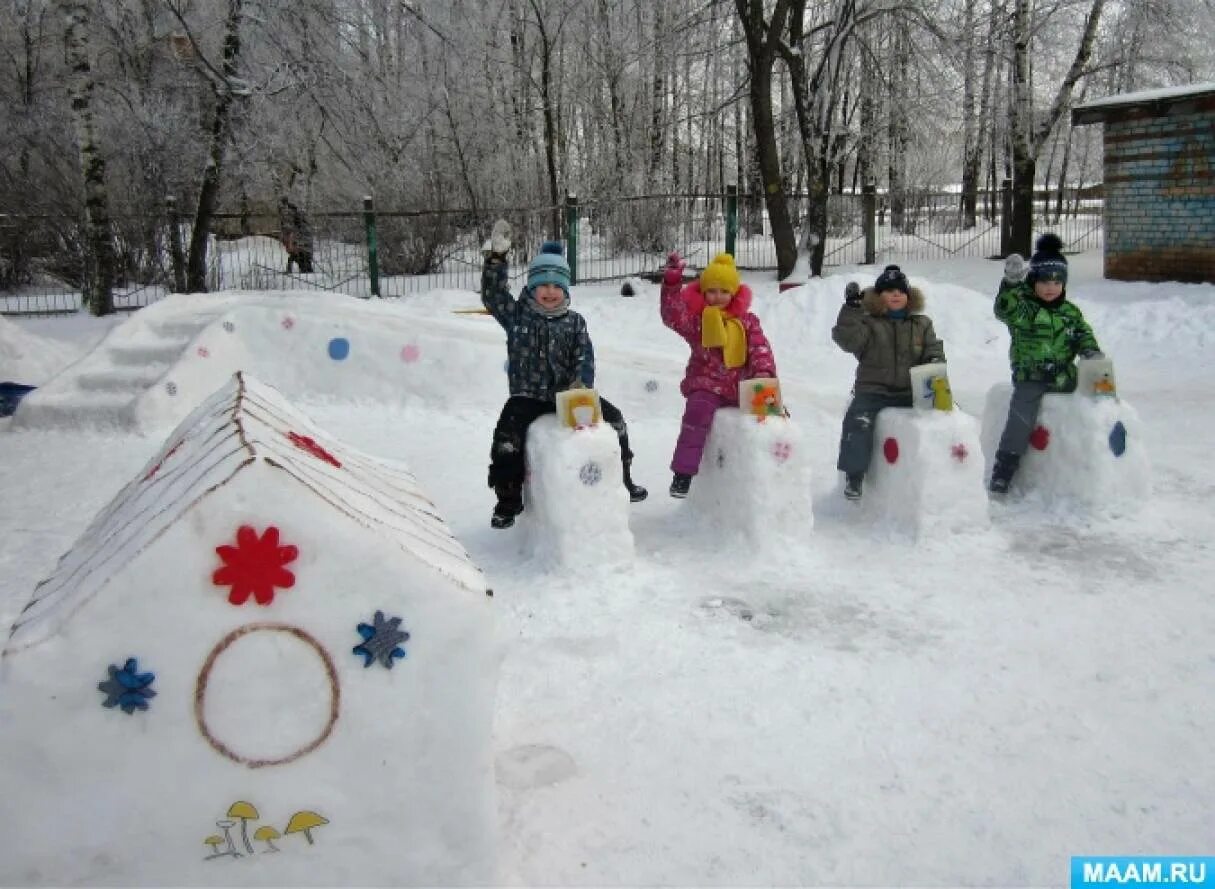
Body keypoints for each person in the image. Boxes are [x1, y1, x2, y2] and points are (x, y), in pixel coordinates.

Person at [482, 224, 647, 529]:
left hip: (569, 395)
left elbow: (585, 355)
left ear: (566, 290)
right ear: (532, 287)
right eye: (543, 285)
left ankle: (623, 478)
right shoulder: (517, 315)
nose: (550, 291)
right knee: (506, 440)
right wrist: (496, 260)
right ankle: (507, 499)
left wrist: (580, 384)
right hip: (526, 396)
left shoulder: (574, 322)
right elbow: (493, 296)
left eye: (557, 286)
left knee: (616, 420)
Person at [989, 234, 1103, 494]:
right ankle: (1004, 467)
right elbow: (1004, 310)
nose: (1050, 287)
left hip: (1063, 376)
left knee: (1091, 405)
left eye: (1057, 282)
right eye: (1044, 281)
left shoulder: (1070, 313)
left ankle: (1088, 463)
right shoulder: (1025, 310)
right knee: (1021, 418)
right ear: (1033, 281)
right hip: (1031, 376)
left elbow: (1082, 333)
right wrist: (1010, 284)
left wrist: (1090, 351)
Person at [660, 251, 778, 498]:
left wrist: (764, 373)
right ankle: (683, 473)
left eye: (724, 291)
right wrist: (672, 283)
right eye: (712, 291)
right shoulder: (698, 321)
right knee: (697, 413)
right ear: (703, 293)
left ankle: (774, 477)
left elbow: (759, 348)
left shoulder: (747, 321)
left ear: (734, 293)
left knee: (770, 419)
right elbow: (673, 316)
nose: (718, 297)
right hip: (706, 383)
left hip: (739, 386)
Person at [832, 264, 945, 500]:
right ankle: (854, 476)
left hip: (910, 391)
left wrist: (934, 361)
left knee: (944, 418)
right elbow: (848, 340)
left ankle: (943, 475)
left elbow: (933, 349)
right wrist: (851, 309)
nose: (895, 294)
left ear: (909, 296)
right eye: (889, 290)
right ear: (878, 297)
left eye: (900, 291)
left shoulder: (921, 324)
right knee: (858, 422)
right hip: (873, 390)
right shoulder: (868, 324)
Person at [278, 197, 314, 273]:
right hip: (302, 248)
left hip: (303, 248)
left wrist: (296, 244)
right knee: (295, 257)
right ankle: (302, 269)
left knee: (300, 259)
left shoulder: (298, 222)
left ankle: (305, 270)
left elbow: (297, 232)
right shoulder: (297, 222)